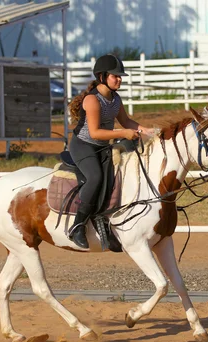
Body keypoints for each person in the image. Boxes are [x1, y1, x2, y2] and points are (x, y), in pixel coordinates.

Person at [67, 54, 154, 249]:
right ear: (102, 77)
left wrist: (145, 130)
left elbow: (127, 121)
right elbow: (95, 133)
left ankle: (104, 222)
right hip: (83, 145)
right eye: (115, 76)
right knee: (96, 177)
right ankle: (77, 226)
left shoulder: (115, 99)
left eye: (120, 76)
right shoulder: (92, 100)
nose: (119, 79)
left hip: (102, 146)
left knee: (118, 175)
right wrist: (123, 133)